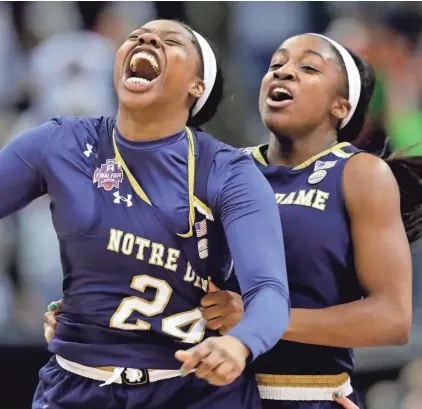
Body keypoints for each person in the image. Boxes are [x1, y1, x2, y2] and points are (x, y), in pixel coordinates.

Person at [42, 31, 417, 408]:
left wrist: (260, 321)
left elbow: (391, 319)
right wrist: (89, 319)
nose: (284, 73)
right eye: (276, 65)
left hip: (303, 394)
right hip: (202, 394)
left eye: (308, 68)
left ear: (341, 105)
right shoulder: (219, 167)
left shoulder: (359, 174)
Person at [1, 19, 291, 409]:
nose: (147, 38)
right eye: (136, 37)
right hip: (77, 385)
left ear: (197, 85)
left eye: (170, 41)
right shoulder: (60, 142)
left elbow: (270, 291)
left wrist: (240, 344)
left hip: (190, 389)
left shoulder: (226, 170)